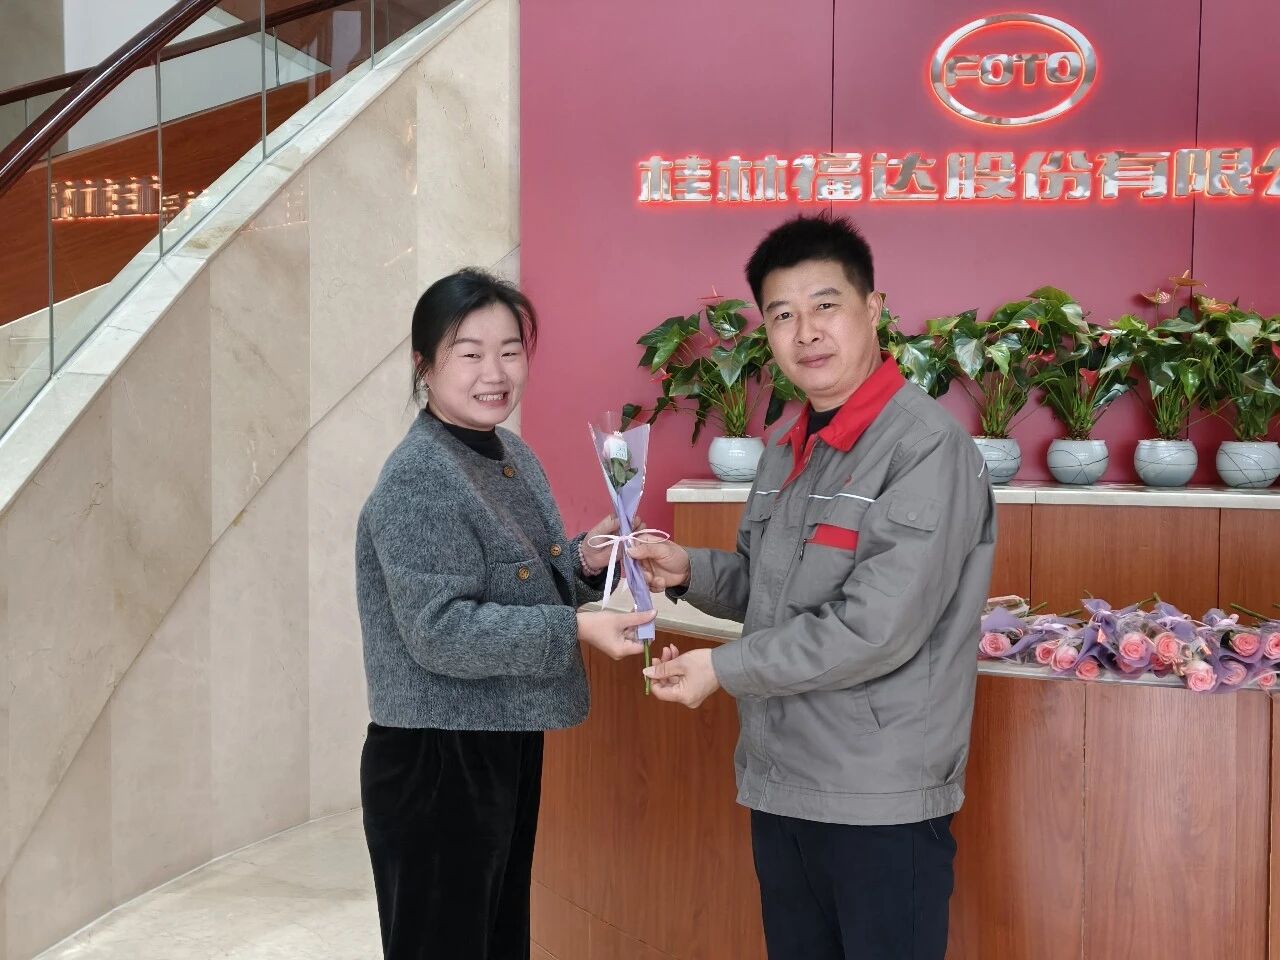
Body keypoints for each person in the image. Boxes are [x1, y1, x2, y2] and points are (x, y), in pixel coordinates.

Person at [630, 215, 996, 960]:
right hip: (782, 782)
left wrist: (721, 669)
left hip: (879, 798)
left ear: (874, 308)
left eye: (825, 305)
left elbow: (876, 627)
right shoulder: (786, 448)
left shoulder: (926, 449)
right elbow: (770, 588)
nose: (806, 333)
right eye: (782, 315)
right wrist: (688, 569)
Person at [355, 268, 653, 960]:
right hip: (438, 756)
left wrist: (586, 560)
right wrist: (574, 627)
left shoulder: (506, 451)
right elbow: (440, 631)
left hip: (499, 737)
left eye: (510, 351)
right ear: (424, 364)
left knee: (496, 938)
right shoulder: (419, 476)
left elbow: (516, 577)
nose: (495, 373)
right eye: (470, 353)